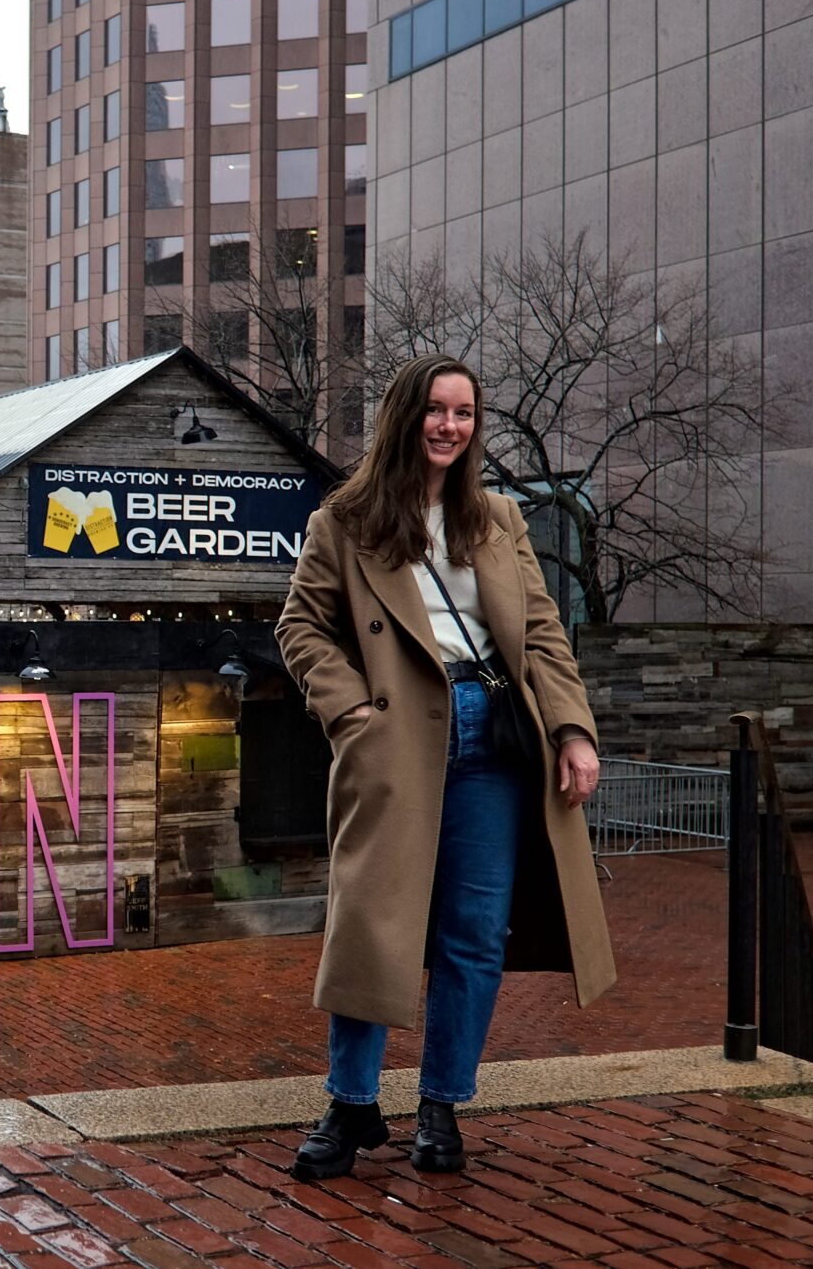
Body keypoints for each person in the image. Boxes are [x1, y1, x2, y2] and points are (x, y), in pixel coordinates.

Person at [274, 352, 616, 1180]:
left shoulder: (497, 518)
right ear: (405, 414)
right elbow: (300, 627)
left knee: (473, 933)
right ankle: (351, 1104)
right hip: (395, 740)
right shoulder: (345, 520)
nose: (449, 426)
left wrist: (573, 731)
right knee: (372, 924)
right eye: (435, 409)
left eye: (464, 413)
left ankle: (441, 1106)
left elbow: (540, 635)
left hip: (494, 736)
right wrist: (352, 712)